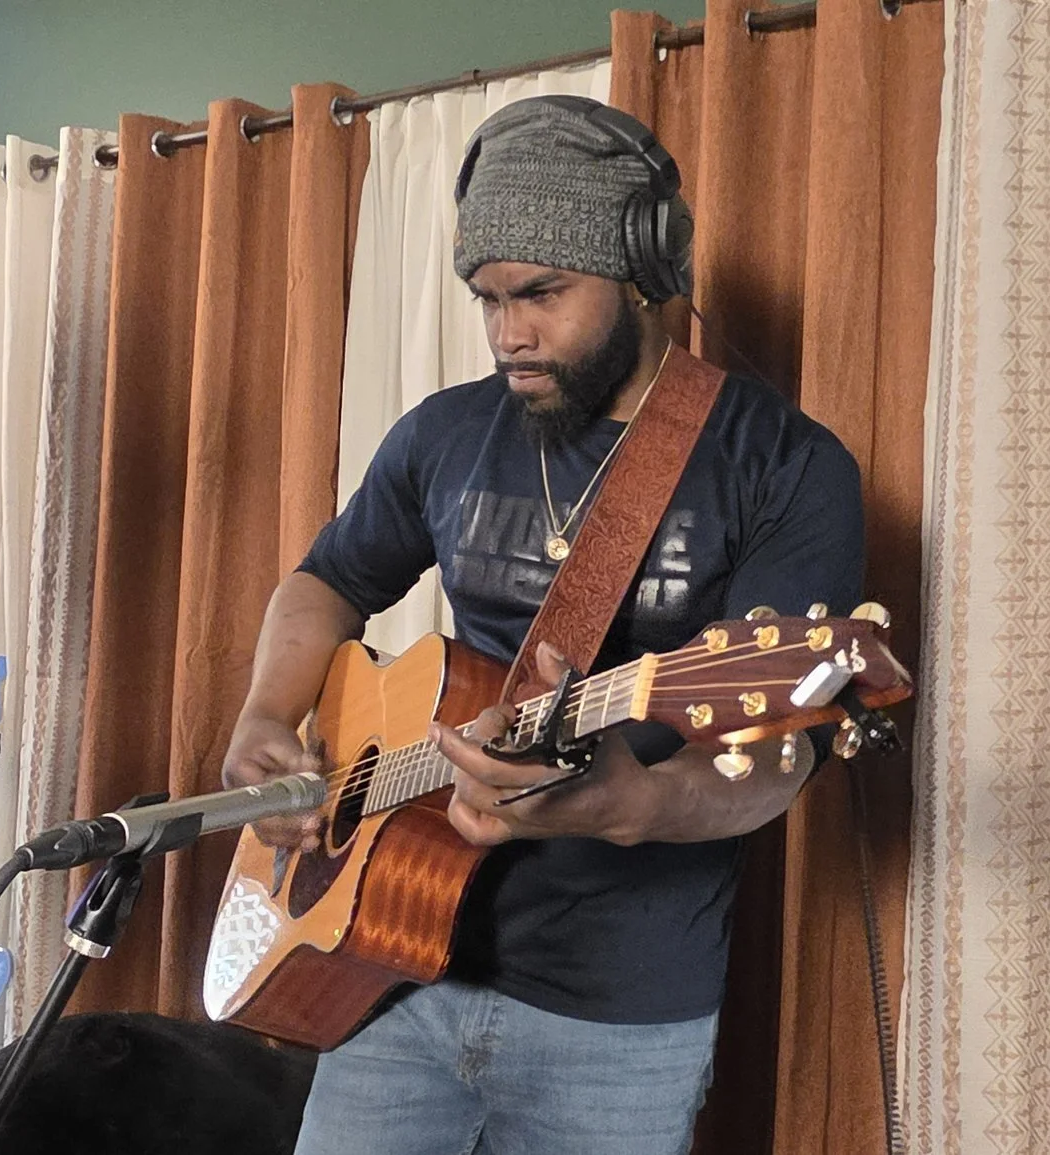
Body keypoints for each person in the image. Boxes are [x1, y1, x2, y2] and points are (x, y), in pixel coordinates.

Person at [220, 95, 865, 1155]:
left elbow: (777, 755)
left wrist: (633, 802)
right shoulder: (443, 434)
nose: (509, 332)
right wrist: (266, 716)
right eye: (487, 299)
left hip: (617, 1015)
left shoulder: (785, 466)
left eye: (542, 294)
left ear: (647, 272)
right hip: (385, 969)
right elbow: (323, 584)